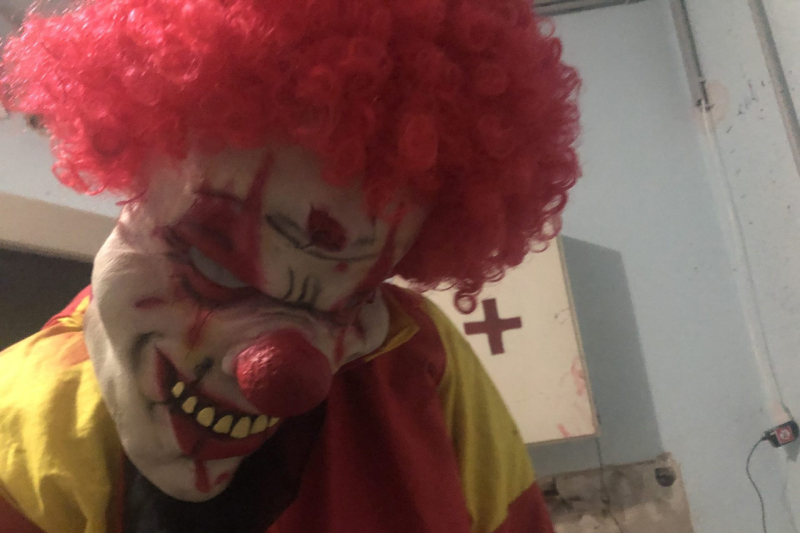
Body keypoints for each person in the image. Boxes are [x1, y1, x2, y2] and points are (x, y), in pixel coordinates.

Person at [0, 0, 581, 531]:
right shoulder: (21, 422)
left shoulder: (418, 356)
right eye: (215, 264)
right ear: (136, 194)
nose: (283, 377)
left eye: (350, 302)